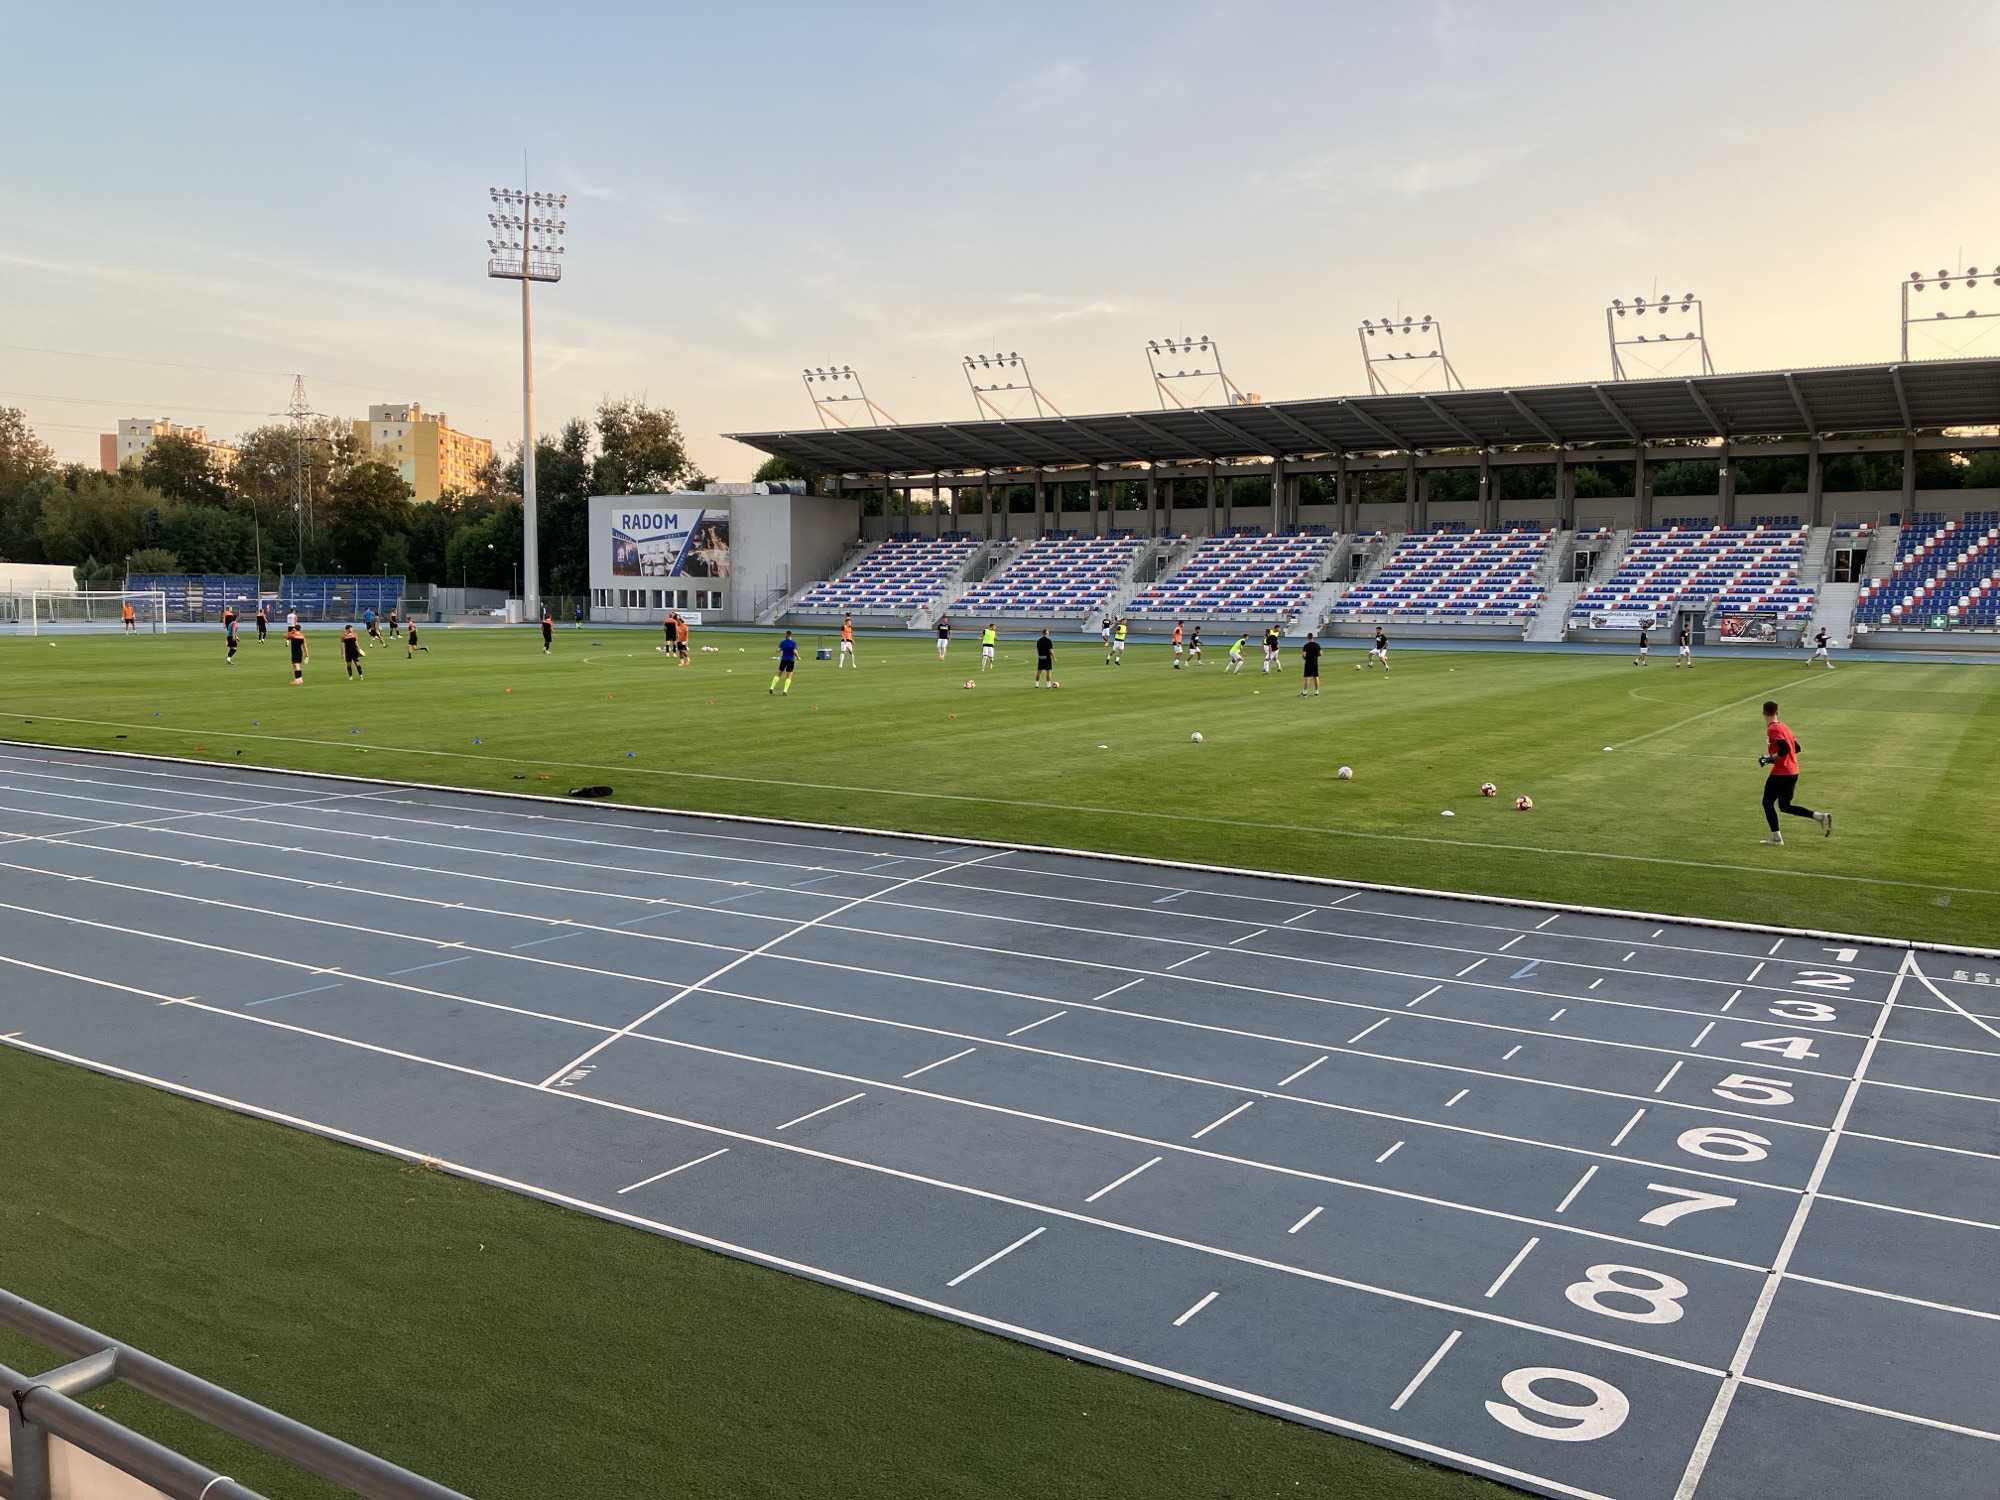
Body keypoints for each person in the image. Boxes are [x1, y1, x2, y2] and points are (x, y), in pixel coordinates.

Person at [1758, 700, 1831, 845]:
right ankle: (1820, 817)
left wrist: (1769, 759)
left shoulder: (1772, 729)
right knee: (1785, 806)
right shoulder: (1785, 727)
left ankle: (1776, 838)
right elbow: (1796, 748)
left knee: (1767, 803)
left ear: (1764, 713)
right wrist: (1773, 758)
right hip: (1792, 772)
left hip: (1781, 773)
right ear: (1777, 712)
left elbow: (1784, 749)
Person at [769, 630, 798, 695]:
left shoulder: (782, 642)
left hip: (783, 660)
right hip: (791, 660)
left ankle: (771, 687)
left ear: (786, 635)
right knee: (789, 676)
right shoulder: (793, 643)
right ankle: (785, 691)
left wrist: (775, 654)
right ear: (790, 635)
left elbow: (779, 650)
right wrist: (798, 657)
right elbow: (794, 651)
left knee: (779, 674)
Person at [1299, 630, 1322, 697]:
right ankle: (1316, 691)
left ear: (1308, 637)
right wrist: (1316, 656)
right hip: (1315, 662)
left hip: (1308, 663)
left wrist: (1305, 658)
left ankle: (1305, 691)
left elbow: (1304, 655)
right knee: (1316, 676)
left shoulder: (1306, 646)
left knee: (1307, 677)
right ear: (1312, 637)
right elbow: (1320, 653)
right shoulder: (1317, 645)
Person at [286, 621, 308, 685]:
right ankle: (299, 679)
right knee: (295, 665)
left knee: (296, 665)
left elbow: (286, 637)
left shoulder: (293, 635)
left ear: (295, 629)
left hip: (294, 652)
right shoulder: (302, 636)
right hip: (300, 652)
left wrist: (291, 631)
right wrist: (307, 655)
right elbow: (305, 647)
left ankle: (298, 680)